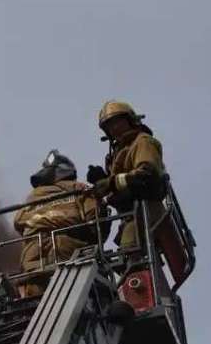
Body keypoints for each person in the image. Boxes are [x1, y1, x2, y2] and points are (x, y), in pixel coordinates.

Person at [12, 150, 106, 297]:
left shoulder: (33, 197)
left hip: (33, 263)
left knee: (33, 307)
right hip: (69, 258)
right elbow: (96, 221)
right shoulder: (79, 189)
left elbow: (18, 222)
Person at [88, 101, 166, 255]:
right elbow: (118, 186)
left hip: (146, 211)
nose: (113, 128)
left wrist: (109, 182)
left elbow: (147, 174)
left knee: (131, 256)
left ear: (131, 120)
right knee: (126, 259)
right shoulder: (119, 152)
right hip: (131, 216)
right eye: (109, 126)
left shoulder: (143, 142)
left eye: (117, 122)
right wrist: (101, 180)